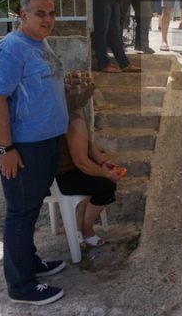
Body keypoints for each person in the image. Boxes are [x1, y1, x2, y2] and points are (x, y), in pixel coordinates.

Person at [0, 0, 68, 306]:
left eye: (51, 12)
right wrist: (6, 149)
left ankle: (29, 262)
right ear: (23, 15)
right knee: (20, 212)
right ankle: (20, 286)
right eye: (39, 13)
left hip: (43, 142)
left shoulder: (38, 42)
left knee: (30, 208)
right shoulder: (10, 49)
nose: (48, 19)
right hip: (22, 146)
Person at [56, 71, 120, 247]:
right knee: (107, 187)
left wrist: (101, 162)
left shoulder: (74, 111)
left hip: (70, 171)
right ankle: (86, 228)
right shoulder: (71, 118)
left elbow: (88, 144)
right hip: (63, 176)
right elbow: (81, 162)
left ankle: (79, 225)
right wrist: (106, 175)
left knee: (99, 180)